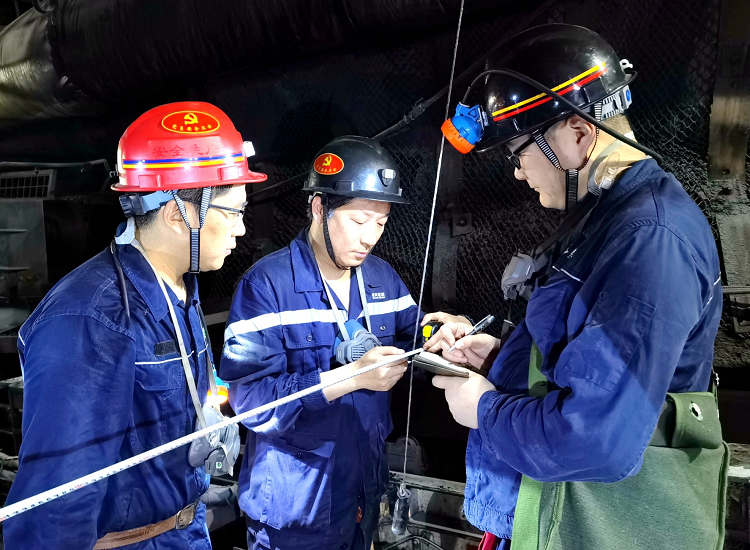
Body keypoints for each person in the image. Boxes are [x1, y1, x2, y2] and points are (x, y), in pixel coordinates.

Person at [428, 24, 725, 550]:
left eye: (519, 151)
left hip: (592, 524)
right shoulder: (604, 220)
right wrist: (502, 359)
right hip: (549, 511)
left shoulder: (650, 240)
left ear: (579, 133)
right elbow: (587, 358)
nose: (518, 172)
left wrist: (485, 410)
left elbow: (595, 437)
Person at [4, 101, 265, 549]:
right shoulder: (91, 321)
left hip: (184, 529)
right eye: (234, 211)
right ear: (178, 214)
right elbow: (56, 506)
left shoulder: (178, 287)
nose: (242, 229)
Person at [221, 135, 467, 550]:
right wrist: (350, 378)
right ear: (320, 207)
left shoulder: (382, 277)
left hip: (363, 494)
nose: (370, 237)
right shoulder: (266, 285)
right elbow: (250, 401)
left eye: (381, 223)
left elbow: (413, 334)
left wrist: (441, 332)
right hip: (294, 508)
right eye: (359, 221)